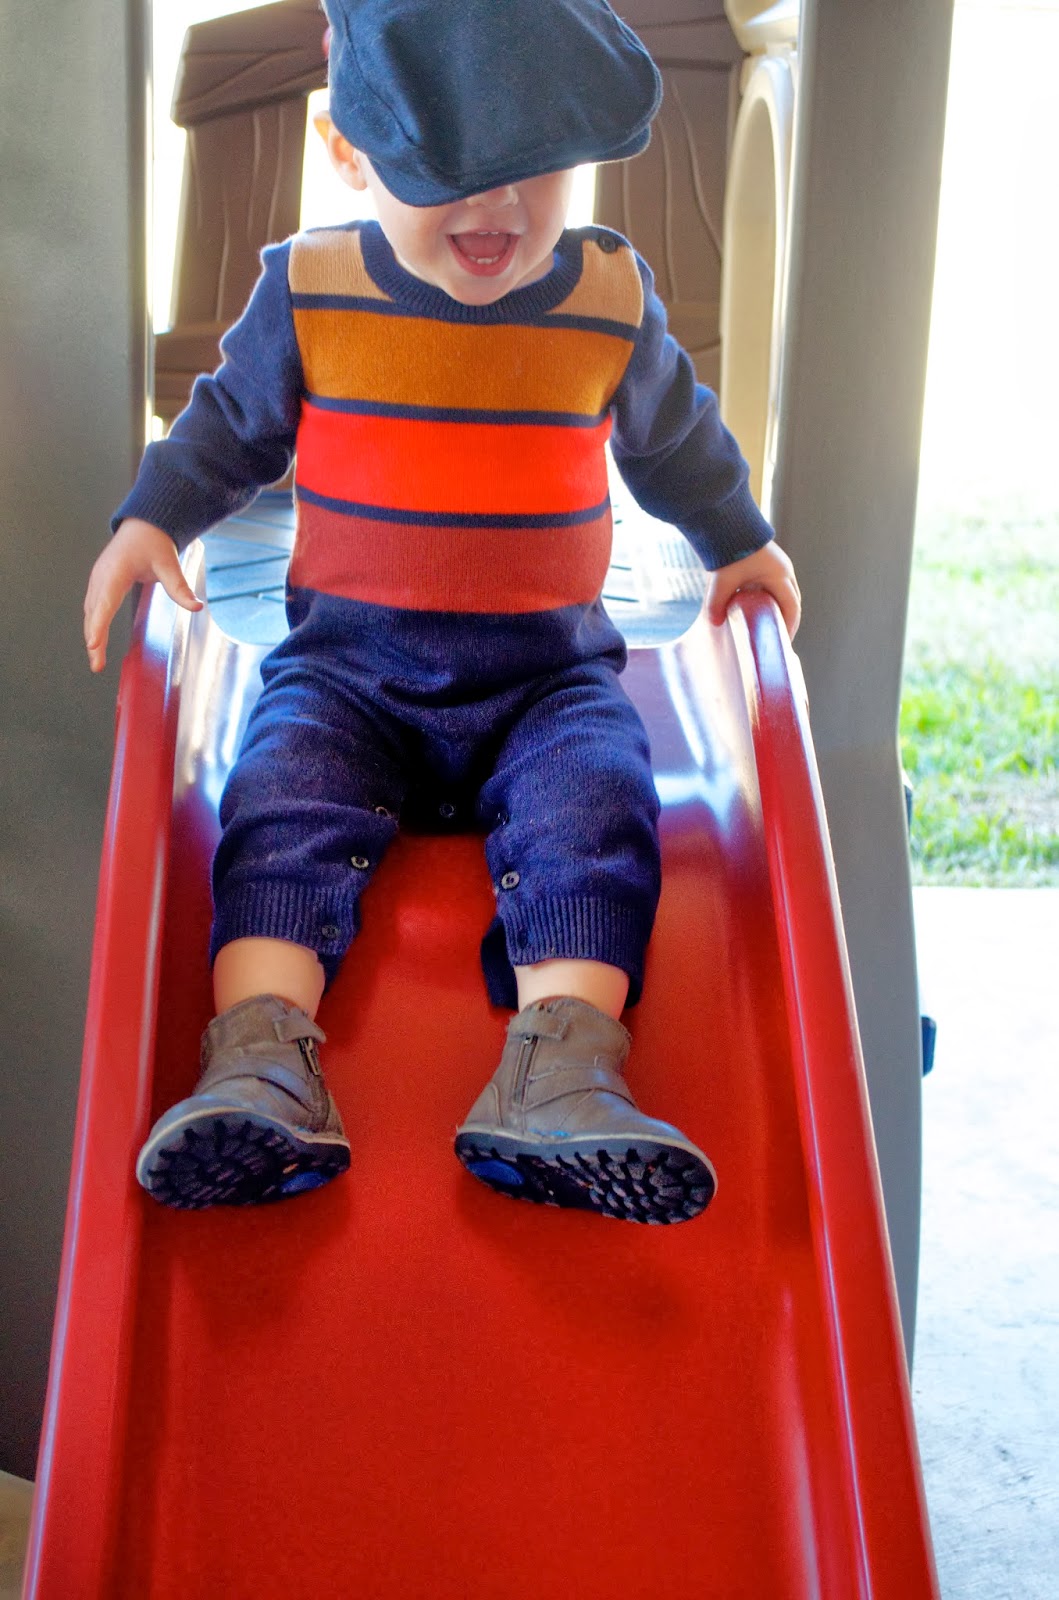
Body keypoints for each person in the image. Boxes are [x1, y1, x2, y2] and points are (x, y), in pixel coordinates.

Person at [83, 0, 801, 1223]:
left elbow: (678, 441)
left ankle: (561, 1070)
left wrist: (738, 540)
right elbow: (226, 428)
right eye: (447, 169)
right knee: (278, 803)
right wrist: (153, 517)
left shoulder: (607, 296)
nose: (498, 204)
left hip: (545, 679)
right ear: (346, 149)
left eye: (537, 162)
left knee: (602, 802)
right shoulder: (311, 289)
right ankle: (260, 1056)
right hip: (345, 674)